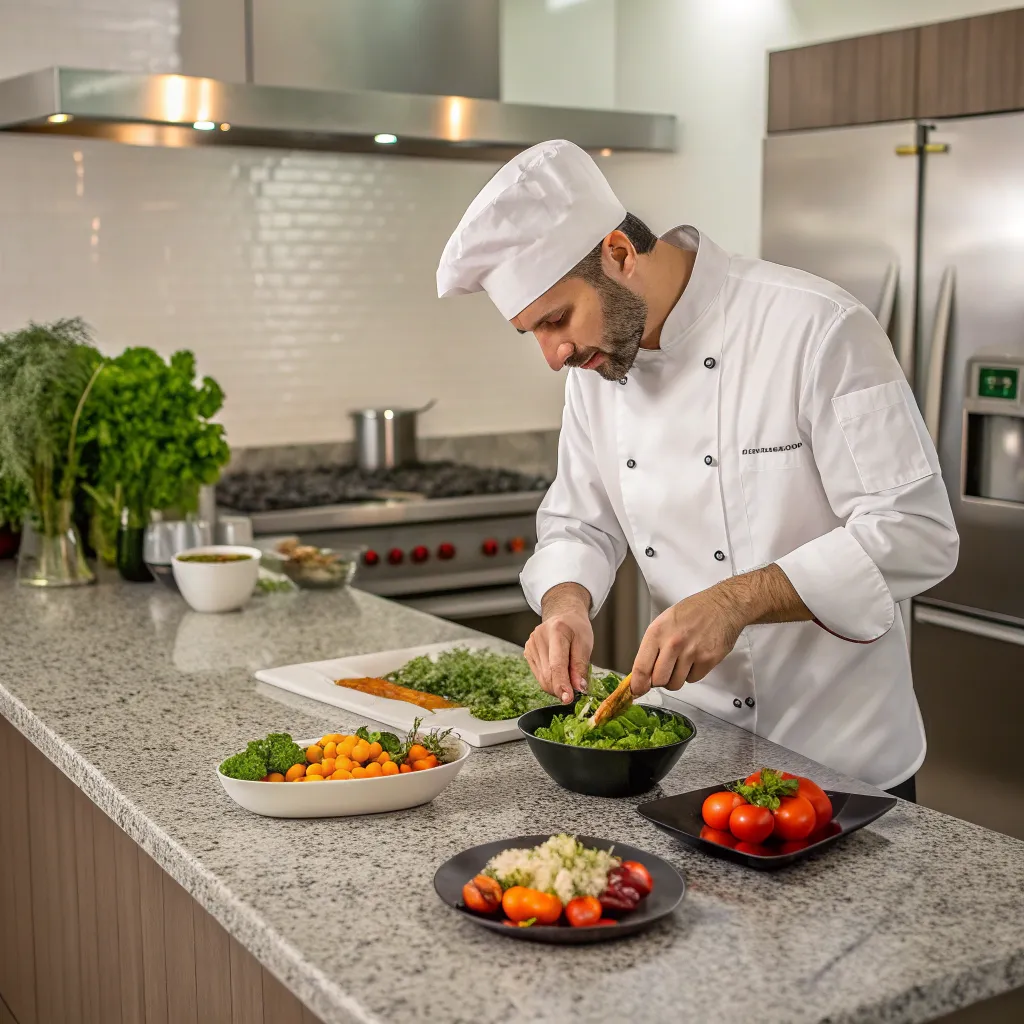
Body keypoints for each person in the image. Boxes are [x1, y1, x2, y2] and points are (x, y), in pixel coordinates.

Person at [436, 139, 958, 797]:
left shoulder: (816, 328)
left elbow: (916, 533)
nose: (553, 353)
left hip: (842, 764)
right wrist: (564, 605)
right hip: (696, 757)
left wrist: (734, 601)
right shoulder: (597, 366)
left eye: (557, 319)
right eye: (533, 332)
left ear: (619, 254)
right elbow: (578, 521)